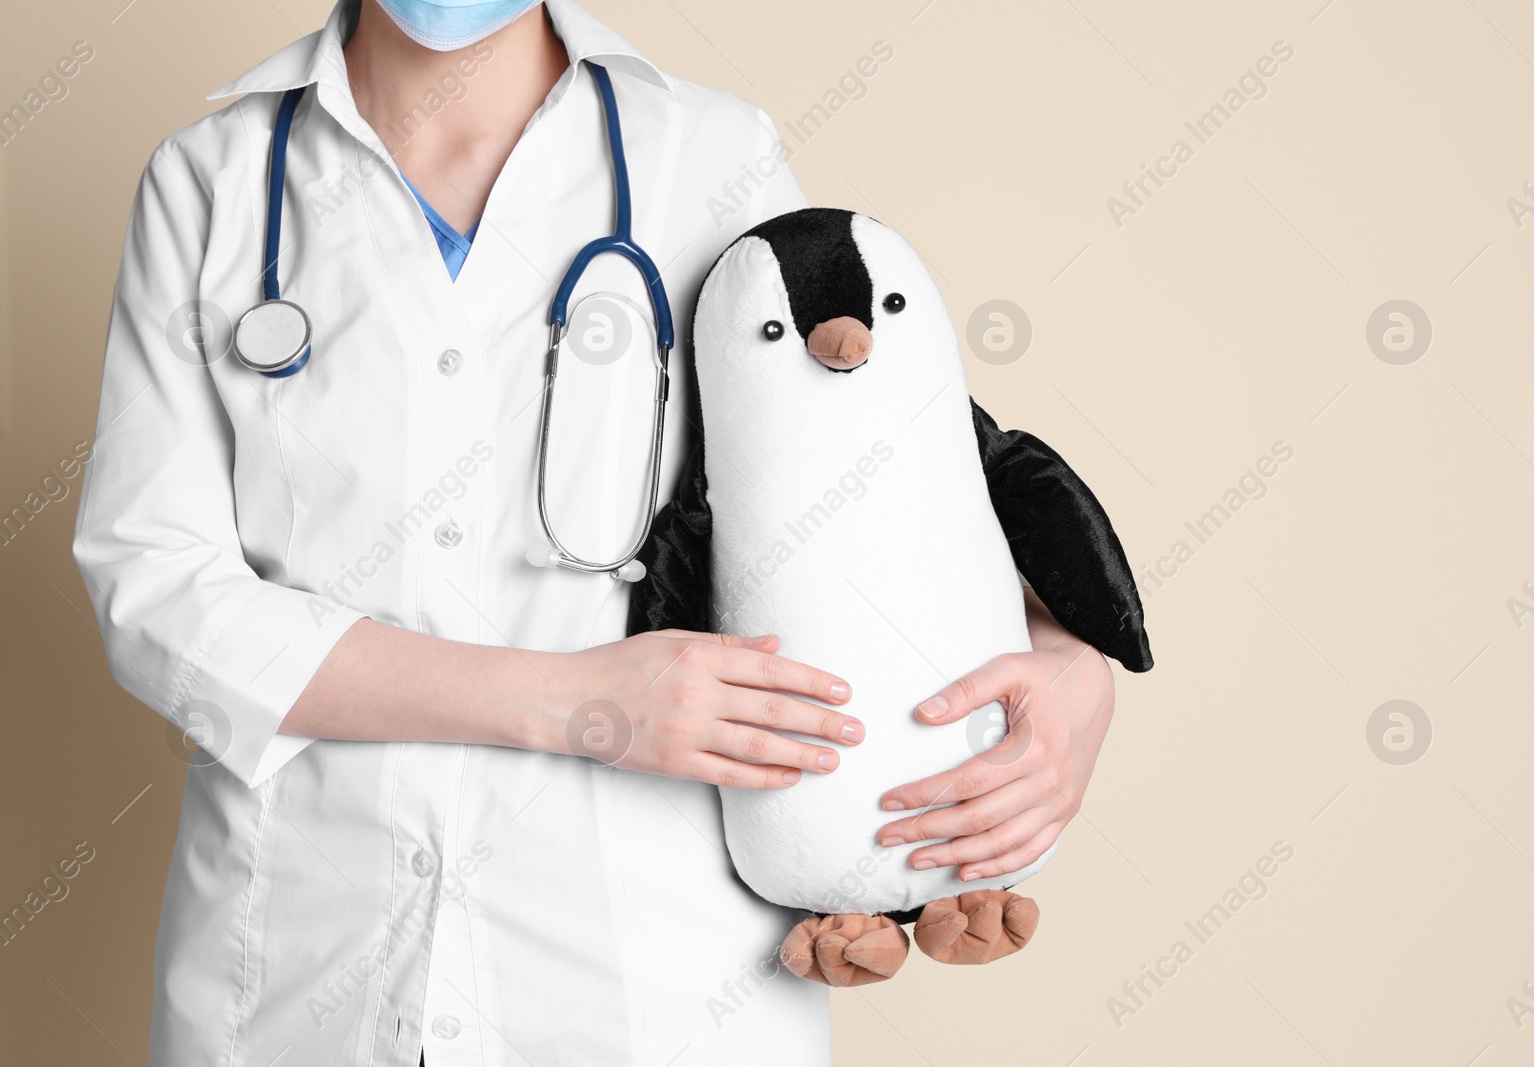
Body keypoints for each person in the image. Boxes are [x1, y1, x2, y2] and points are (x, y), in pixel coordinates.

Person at [72, 1, 1117, 1063]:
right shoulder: (212, 179)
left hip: (652, 981)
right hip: (302, 970)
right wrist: (574, 702)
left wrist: (1070, 654)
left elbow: (876, 470)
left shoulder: (706, 152)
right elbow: (155, 590)